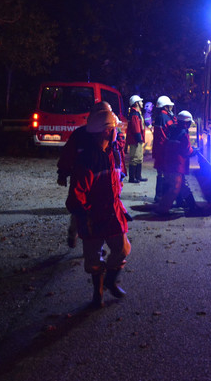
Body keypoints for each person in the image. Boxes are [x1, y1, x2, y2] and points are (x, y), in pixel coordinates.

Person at [65, 108, 131, 308]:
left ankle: (110, 280)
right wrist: (84, 216)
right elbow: (76, 195)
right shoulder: (87, 160)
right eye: (114, 129)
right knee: (93, 258)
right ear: (106, 131)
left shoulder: (113, 152)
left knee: (122, 249)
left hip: (113, 213)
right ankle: (98, 292)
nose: (116, 132)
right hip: (93, 217)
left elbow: (117, 179)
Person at [58, 101, 114, 248]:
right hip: (83, 179)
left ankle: (96, 246)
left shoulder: (110, 133)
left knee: (101, 213)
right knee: (81, 209)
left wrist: (118, 177)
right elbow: (68, 154)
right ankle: (76, 232)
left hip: (102, 180)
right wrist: (62, 172)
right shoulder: (80, 134)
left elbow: (115, 155)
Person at [155, 110, 198, 215]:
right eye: (189, 123)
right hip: (177, 165)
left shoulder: (172, 129)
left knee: (182, 186)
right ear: (186, 123)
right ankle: (162, 210)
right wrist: (194, 151)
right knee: (174, 188)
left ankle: (193, 207)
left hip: (169, 163)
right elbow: (186, 150)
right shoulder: (183, 134)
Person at [152, 95, 176, 203]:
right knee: (166, 174)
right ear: (165, 107)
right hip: (164, 150)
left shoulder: (159, 117)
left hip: (158, 149)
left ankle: (158, 196)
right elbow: (172, 131)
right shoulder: (166, 118)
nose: (171, 108)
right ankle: (163, 197)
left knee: (160, 173)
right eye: (170, 106)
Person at [126, 94, 147, 183]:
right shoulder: (134, 114)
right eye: (140, 101)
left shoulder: (137, 113)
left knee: (139, 158)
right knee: (134, 158)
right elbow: (136, 128)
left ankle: (138, 176)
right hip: (135, 140)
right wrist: (139, 138)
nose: (142, 103)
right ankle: (132, 178)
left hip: (137, 139)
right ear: (136, 103)